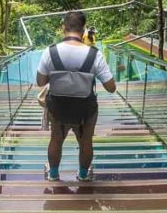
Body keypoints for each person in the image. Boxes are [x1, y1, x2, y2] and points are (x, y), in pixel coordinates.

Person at [36, 11, 116, 181]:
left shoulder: (50, 52)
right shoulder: (95, 55)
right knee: (86, 141)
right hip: (85, 110)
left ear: (63, 27)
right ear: (84, 29)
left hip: (58, 108)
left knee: (56, 139)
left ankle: (54, 174)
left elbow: (40, 82)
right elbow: (111, 88)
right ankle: (83, 174)